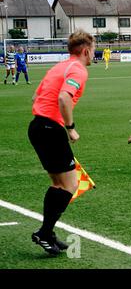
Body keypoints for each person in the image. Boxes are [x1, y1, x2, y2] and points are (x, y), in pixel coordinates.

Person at [28, 30, 95, 255]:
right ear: (86, 50)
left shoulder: (59, 66)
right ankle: (44, 232)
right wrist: (70, 128)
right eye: (93, 50)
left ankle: (47, 233)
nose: (93, 54)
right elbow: (63, 97)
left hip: (38, 126)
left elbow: (36, 97)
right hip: (50, 129)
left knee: (58, 184)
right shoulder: (78, 69)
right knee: (70, 185)